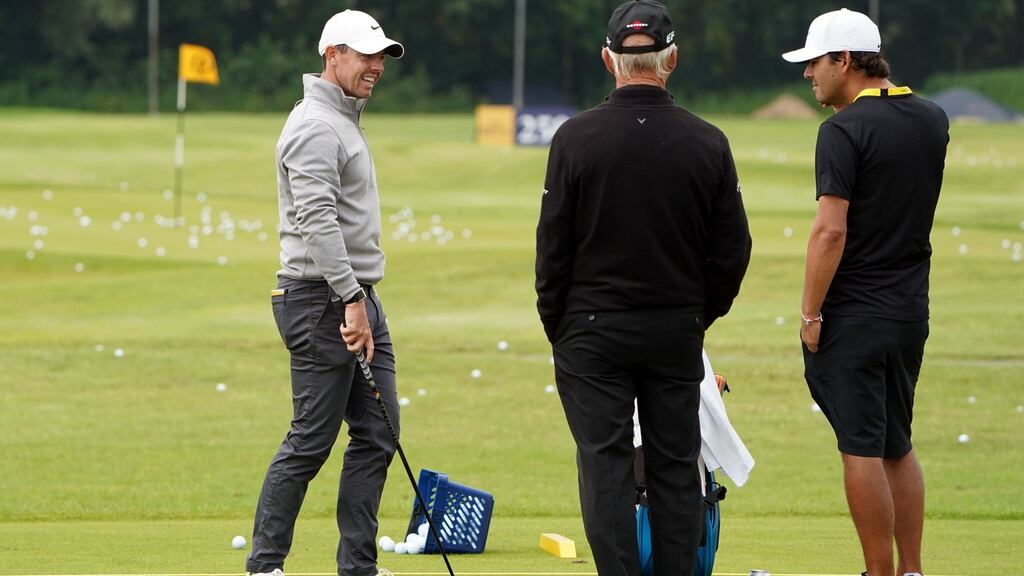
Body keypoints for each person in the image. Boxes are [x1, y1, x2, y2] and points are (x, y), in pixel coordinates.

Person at [534, 1, 751, 573]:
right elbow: (733, 250)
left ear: (610, 61)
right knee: (675, 461)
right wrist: (699, 313)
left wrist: (557, 323)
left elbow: (553, 249)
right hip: (673, 326)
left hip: (590, 328)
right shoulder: (707, 141)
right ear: (671, 60)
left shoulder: (575, 138)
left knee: (605, 464)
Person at [782, 9, 949, 576]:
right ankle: (912, 570)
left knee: (861, 445)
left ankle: (878, 572)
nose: (808, 75)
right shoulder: (932, 118)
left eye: (813, 63)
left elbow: (830, 231)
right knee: (897, 443)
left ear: (844, 61)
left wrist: (809, 314)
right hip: (910, 313)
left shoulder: (841, 131)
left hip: (854, 315)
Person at [245, 10, 405, 576]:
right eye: (365, 55)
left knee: (378, 434)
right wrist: (351, 300)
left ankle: (357, 567)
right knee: (312, 440)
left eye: (380, 55)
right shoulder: (316, 124)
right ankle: (264, 566)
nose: (375, 66)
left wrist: (360, 297)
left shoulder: (342, 117)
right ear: (331, 54)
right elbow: (317, 220)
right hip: (323, 301)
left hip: (352, 295)